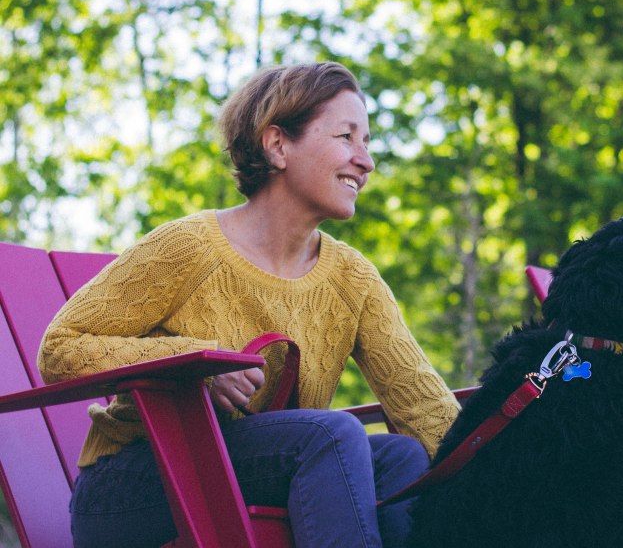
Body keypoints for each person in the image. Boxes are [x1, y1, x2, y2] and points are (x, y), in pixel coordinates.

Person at [38, 61, 461, 548]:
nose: (365, 162)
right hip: (136, 485)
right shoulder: (188, 247)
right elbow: (61, 347)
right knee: (332, 434)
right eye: (347, 137)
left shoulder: (354, 279)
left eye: (367, 143)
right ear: (278, 144)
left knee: (402, 458)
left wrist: (512, 475)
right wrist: (197, 363)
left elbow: (426, 407)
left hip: (255, 471)